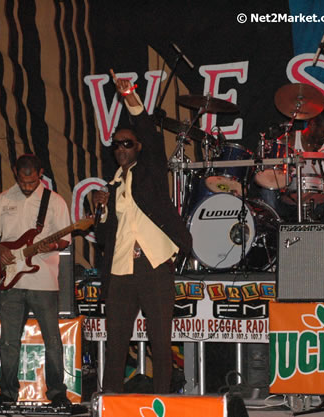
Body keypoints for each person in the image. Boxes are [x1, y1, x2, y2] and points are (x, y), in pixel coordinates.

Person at [92, 71, 192, 394]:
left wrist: (130, 98)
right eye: (117, 144)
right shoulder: (111, 187)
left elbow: (148, 131)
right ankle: (109, 404)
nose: (121, 148)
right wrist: (102, 210)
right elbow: (105, 237)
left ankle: (163, 402)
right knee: (116, 344)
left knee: (160, 341)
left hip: (153, 264)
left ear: (138, 148)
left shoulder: (150, 172)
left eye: (128, 143)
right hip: (121, 270)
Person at [0, 154, 72, 409]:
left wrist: (53, 244)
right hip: (11, 280)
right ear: (15, 173)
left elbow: (65, 239)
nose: (28, 186)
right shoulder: (4, 199)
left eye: (32, 182)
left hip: (43, 280)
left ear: (40, 173)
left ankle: (57, 394)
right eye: (23, 181)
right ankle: (7, 394)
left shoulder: (54, 201)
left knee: (52, 340)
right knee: (8, 341)